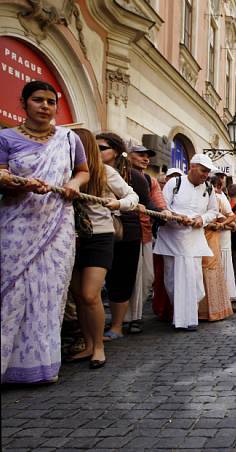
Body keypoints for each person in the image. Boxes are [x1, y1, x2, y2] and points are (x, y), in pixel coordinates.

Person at [0, 80, 89, 384]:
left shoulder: (68, 139)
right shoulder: (6, 138)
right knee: (10, 291)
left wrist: (74, 186)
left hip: (57, 224)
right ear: (22, 103)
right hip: (16, 223)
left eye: (51, 102)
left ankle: (42, 366)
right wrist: (15, 181)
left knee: (50, 293)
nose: (45, 107)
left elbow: (83, 171)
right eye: (38, 100)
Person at [67, 129, 138, 369]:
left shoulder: (106, 172)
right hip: (71, 237)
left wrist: (119, 203)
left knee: (89, 294)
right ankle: (88, 344)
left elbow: (132, 197)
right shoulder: (65, 171)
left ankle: (98, 346)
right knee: (78, 295)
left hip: (99, 236)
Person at [153, 154, 219, 331]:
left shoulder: (209, 188)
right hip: (172, 238)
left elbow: (214, 212)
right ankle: (183, 319)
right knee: (173, 281)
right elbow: (163, 208)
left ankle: (189, 316)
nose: (206, 175)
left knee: (196, 283)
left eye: (208, 172)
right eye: (203, 170)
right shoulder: (174, 184)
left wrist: (202, 219)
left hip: (194, 240)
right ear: (192, 167)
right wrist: (176, 218)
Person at [96, 132, 150, 341]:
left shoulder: (134, 177)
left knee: (121, 279)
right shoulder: (87, 170)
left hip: (125, 233)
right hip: (96, 232)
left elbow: (141, 203)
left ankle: (117, 325)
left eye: (102, 148)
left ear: (116, 152)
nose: (97, 151)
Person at [126, 144, 166, 334]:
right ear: (128, 155)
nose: (145, 159)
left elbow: (158, 203)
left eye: (147, 156)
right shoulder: (120, 175)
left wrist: (165, 213)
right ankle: (131, 317)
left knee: (147, 276)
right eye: (140, 155)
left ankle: (134, 314)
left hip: (145, 231)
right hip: (122, 231)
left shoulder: (151, 181)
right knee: (126, 275)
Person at [198, 174, 235, 321]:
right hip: (199, 237)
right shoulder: (201, 198)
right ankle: (202, 310)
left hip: (212, 238)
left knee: (210, 270)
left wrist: (220, 224)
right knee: (200, 271)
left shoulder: (217, 198)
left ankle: (213, 310)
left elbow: (230, 216)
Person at [211, 175, 236, 302]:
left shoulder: (221, 197)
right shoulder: (217, 196)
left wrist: (227, 223)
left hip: (222, 236)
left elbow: (230, 217)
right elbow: (227, 218)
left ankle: (223, 296)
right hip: (217, 235)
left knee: (223, 264)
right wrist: (230, 224)